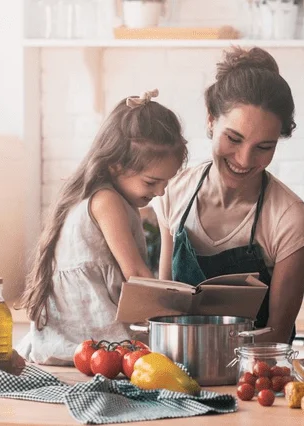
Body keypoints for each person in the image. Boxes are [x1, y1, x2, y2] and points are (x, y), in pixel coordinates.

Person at [154, 47, 304, 344]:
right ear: (211, 120)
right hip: (177, 371)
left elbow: (278, 334)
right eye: (234, 138)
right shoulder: (173, 192)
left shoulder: (289, 217)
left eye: (264, 147)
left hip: (254, 377)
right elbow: (165, 309)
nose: (244, 159)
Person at [16, 90, 187, 365]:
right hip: (90, 346)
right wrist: (178, 313)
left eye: (166, 182)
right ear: (116, 166)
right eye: (151, 182)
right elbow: (136, 274)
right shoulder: (107, 201)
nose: (161, 191)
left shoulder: (102, 195)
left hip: (74, 345)